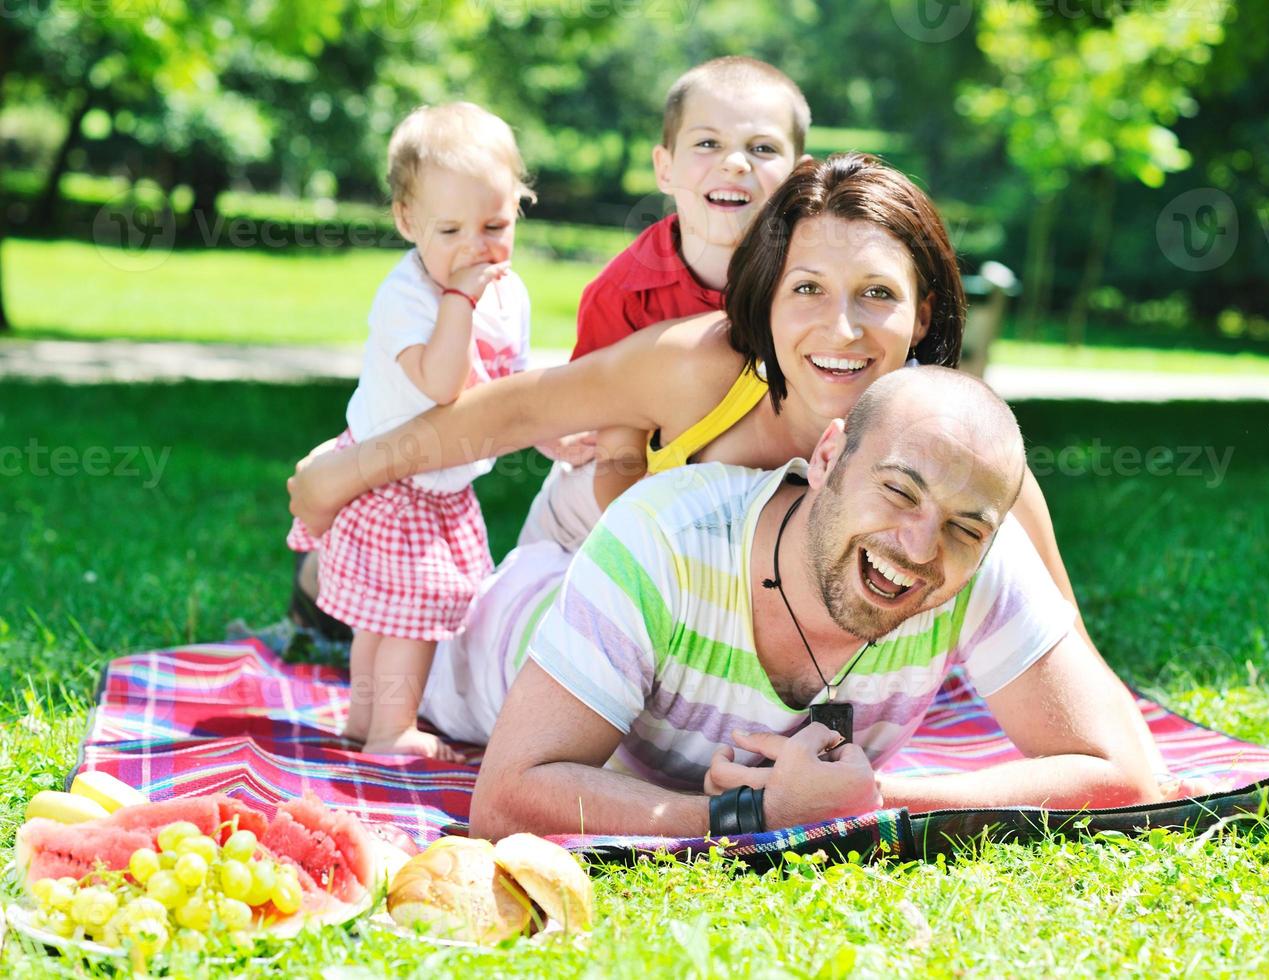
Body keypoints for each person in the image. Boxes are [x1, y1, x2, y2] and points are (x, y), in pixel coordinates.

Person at [287, 154, 1159, 773]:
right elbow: (516, 411)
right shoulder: (704, 367)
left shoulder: (948, 447)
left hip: (707, 662)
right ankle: (335, 595)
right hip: (581, 566)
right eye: (809, 289)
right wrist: (348, 472)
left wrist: (1127, 749)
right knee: (412, 641)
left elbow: (1061, 629)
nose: (842, 331)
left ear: (926, 311)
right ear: (770, 294)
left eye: (879, 296)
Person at [457, 369, 1161, 839]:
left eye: (963, 526)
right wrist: (746, 815)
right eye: (898, 490)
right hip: (503, 631)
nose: (921, 546)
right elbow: (508, 794)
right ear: (828, 457)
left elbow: (1128, 776)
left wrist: (871, 803)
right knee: (418, 619)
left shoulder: (978, 559)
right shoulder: (664, 538)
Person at [286, 102, 535, 760]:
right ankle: (391, 729)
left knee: (389, 614)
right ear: (407, 221)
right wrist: (459, 301)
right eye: (449, 229)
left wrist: (555, 434)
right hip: (393, 478)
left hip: (436, 481)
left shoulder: (508, 294)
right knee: (408, 618)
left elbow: (511, 382)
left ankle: (364, 722)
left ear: (519, 206)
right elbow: (441, 383)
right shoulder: (410, 296)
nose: (473, 248)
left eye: (495, 224)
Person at [522, 56, 812, 551]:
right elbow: (616, 456)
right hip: (606, 507)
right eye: (707, 143)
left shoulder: (812, 280)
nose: (735, 162)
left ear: (799, 177)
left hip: (745, 495)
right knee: (522, 601)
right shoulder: (624, 293)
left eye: (761, 148)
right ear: (665, 167)